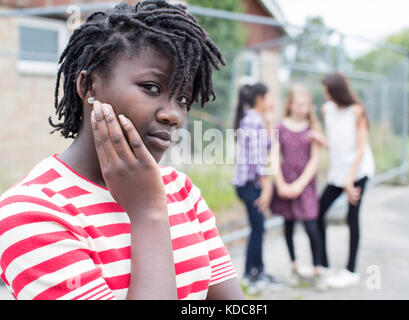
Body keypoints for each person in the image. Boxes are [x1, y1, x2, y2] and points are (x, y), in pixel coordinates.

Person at [0, 0, 244, 300]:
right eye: (152, 87)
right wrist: (148, 213)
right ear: (89, 85)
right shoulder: (31, 212)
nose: (175, 115)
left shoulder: (181, 191)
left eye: (182, 98)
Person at [317, 72, 375, 288]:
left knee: (352, 217)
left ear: (337, 90)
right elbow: (337, 141)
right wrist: (321, 141)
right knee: (318, 212)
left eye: (327, 90)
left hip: (358, 171)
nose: (325, 94)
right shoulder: (327, 110)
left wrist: (350, 181)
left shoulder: (357, 111)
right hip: (338, 172)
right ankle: (323, 265)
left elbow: (360, 149)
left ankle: (351, 270)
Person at [269, 84, 327, 290]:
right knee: (289, 226)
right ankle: (294, 268)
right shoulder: (279, 128)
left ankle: (317, 271)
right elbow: (274, 156)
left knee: (312, 227)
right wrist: (281, 184)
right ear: (291, 104)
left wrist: (299, 185)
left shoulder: (313, 129)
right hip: (285, 184)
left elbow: (315, 161)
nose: (304, 107)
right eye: (300, 103)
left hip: (306, 187)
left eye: (307, 104)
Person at [232, 83, 282, 294]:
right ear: (260, 99)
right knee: (258, 228)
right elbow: (259, 158)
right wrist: (267, 187)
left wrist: (269, 123)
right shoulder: (253, 120)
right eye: (270, 97)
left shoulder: (254, 119)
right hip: (251, 186)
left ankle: (257, 270)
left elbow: (268, 147)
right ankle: (251, 275)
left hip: (249, 185)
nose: (273, 102)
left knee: (259, 228)